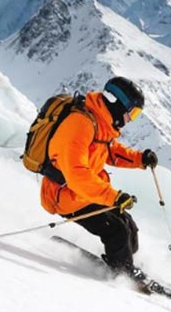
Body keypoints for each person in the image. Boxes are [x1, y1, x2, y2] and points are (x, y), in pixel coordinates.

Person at [41, 76, 158, 273]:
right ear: (117, 104)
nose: (130, 119)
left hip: (85, 191)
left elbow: (110, 151)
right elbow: (77, 175)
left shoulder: (100, 122)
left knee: (129, 226)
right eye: (133, 113)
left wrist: (140, 159)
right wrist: (113, 196)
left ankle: (124, 263)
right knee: (117, 230)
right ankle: (122, 273)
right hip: (64, 195)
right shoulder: (80, 125)